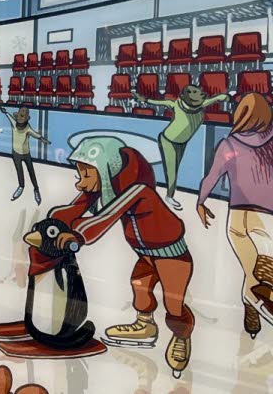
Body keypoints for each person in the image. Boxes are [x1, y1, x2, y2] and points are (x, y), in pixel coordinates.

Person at [47, 136, 194, 378]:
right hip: (146, 254)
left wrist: (78, 237)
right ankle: (145, 327)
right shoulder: (109, 187)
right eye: (79, 175)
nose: (80, 184)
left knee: (173, 303)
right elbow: (76, 207)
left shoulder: (136, 191)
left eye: (86, 175)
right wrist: (52, 224)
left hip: (172, 256)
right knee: (140, 286)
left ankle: (181, 336)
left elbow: (104, 219)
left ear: (105, 169)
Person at [196, 93, 273, 338]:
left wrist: (200, 202)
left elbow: (211, 177)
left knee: (253, 271)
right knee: (261, 271)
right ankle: (254, 301)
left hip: (238, 217)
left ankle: (251, 305)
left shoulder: (229, 145)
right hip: (267, 218)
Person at [132, 83, 231, 211]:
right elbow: (157, 102)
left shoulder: (201, 105)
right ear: (185, 97)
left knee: (176, 169)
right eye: (194, 93)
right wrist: (144, 100)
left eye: (198, 92)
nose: (200, 94)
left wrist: (222, 97)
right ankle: (169, 196)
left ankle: (168, 193)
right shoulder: (175, 105)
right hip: (168, 141)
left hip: (181, 143)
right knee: (172, 171)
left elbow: (215, 99)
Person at [7, 107, 49, 205]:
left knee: (31, 172)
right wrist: (4, 111)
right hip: (16, 153)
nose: (22, 117)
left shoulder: (27, 127)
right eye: (20, 115)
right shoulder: (13, 123)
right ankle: (21, 186)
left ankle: (36, 189)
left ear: (27, 118)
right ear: (17, 116)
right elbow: (8, 116)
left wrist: (42, 139)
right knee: (19, 171)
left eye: (24, 116)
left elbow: (35, 134)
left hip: (26, 154)